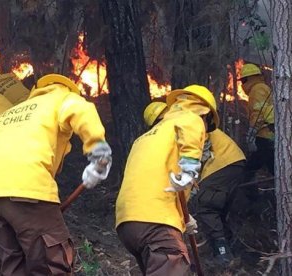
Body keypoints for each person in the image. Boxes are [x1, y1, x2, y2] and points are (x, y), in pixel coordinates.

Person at [0, 73, 112, 275]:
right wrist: (99, 153)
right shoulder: (62, 97)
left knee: (12, 266)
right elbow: (83, 110)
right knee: (52, 264)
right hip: (26, 186)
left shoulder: (10, 114)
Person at [115, 85, 219, 275]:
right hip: (156, 223)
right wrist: (189, 171)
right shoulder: (191, 118)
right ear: (206, 115)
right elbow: (190, 152)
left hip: (127, 224)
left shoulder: (143, 139)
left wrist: (183, 219)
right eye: (208, 126)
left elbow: (153, 183)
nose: (205, 131)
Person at [143, 101, 246, 265]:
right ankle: (229, 247)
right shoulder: (180, 122)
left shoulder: (181, 125)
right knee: (217, 208)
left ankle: (223, 254)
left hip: (223, 162)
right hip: (230, 161)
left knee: (205, 204)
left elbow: (200, 152)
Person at [240, 63, 274, 179]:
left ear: (248, 79)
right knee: (272, 165)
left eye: (243, 80)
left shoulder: (257, 89)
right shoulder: (262, 88)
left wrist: (252, 132)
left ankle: (247, 192)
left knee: (250, 169)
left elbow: (258, 112)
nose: (242, 84)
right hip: (268, 134)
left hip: (264, 135)